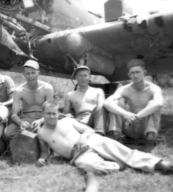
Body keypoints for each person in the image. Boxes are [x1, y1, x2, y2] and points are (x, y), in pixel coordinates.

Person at [37, 100, 173, 175]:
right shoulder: (41, 133)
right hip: (77, 155)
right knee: (88, 166)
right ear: (42, 114)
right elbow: (44, 152)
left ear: (58, 113)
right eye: (48, 114)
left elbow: (88, 129)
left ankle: (159, 164)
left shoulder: (67, 121)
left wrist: (82, 138)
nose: (51, 117)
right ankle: (117, 166)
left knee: (122, 151)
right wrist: (42, 159)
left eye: (54, 113)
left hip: (91, 140)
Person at [104, 59, 163, 141]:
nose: (135, 75)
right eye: (132, 73)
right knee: (115, 103)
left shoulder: (153, 88)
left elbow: (159, 103)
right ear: (129, 75)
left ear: (144, 73)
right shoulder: (125, 89)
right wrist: (125, 114)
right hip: (129, 126)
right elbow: (107, 102)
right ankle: (116, 135)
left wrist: (137, 116)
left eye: (138, 72)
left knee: (153, 103)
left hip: (145, 127)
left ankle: (150, 138)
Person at [3, 60, 54, 139]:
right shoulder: (19, 90)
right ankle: (29, 138)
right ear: (24, 75)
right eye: (28, 73)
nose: (30, 76)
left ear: (38, 73)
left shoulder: (47, 88)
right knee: (7, 133)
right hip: (26, 118)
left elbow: (51, 112)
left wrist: (40, 121)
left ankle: (36, 139)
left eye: (33, 73)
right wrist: (20, 123)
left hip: (43, 118)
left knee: (53, 132)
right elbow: (14, 115)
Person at [63, 66, 106, 135]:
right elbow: (65, 114)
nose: (82, 78)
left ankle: (99, 134)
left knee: (100, 107)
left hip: (96, 119)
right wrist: (69, 116)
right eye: (79, 76)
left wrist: (88, 117)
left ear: (90, 77)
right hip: (79, 121)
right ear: (76, 78)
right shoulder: (70, 95)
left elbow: (101, 107)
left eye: (85, 75)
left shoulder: (98, 91)